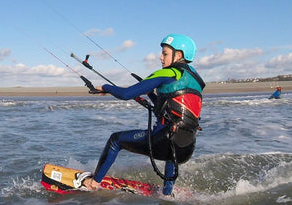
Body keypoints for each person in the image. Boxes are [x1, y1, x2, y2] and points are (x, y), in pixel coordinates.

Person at [79, 34, 205, 196]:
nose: (160, 57)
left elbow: (125, 94)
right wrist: (150, 95)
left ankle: (93, 183)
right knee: (173, 147)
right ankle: (167, 194)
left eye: (165, 53)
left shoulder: (168, 73)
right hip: (186, 148)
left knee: (115, 140)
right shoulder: (196, 78)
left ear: (178, 55)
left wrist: (105, 87)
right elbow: (172, 103)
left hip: (164, 140)